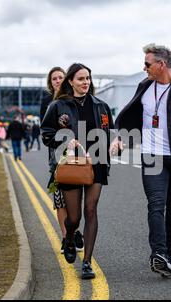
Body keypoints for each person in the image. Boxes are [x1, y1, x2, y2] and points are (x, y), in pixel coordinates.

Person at [110, 44, 171, 278]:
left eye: (148, 64)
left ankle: (169, 252)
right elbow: (132, 116)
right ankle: (159, 254)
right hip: (151, 154)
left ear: (162, 64)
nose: (144, 68)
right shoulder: (144, 86)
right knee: (155, 203)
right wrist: (121, 138)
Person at [41, 63, 114, 279]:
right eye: (81, 79)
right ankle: (70, 236)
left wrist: (115, 142)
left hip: (97, 163)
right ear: (70, 81)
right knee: (74, 217)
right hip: (70, 165)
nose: (86, 83)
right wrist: (64, 140)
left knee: (91, 211)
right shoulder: (58, 106)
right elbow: (46, 133)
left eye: (88, 79)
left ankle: (87, 263)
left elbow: (111, 131)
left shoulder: (101, 106)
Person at [41, 67, 84, 256]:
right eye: (54, 79)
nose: (58, 80)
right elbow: (46, 131)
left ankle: (73, 231)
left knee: (74, 200)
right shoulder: (49, 103)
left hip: (77, 156)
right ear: (50, 84)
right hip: (57, 157)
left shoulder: (74, 100)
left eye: (60, 77)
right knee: (59, 199)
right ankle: (66, 237)